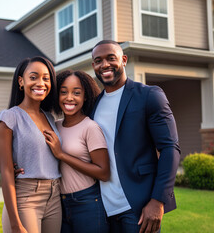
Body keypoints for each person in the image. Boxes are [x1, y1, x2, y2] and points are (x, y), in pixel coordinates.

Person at [90, 40, 181, 233]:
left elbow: (170, 149)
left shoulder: (149, 96)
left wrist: (158, 200)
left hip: (139, 207)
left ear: (123, 60)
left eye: (111, 58)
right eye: (98, 61)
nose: (104, 64)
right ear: (93, 66)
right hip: (102, 209)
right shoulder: (93, 106)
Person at [0, 56, 62, 233]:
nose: (40, 83)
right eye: (33, 77)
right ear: (21, 81)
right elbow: (6, 171)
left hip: (55, 197)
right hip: (27, 197)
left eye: (46, 78)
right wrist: (15, 224)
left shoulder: (50, 118)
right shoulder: (9, 117)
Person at [43, 70, 110, 233]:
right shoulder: (54, 125)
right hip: (59, 203)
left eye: (77, 93)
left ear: (85, 96)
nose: (69, 98)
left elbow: (103, 172)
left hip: (87, 203)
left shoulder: (90, 127)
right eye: (63, 92)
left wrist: (62, 155)